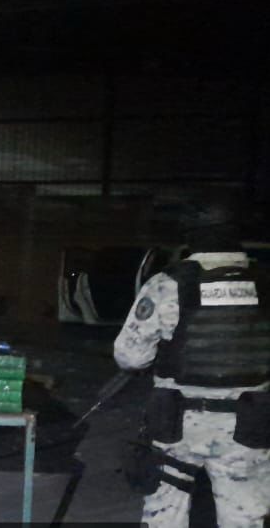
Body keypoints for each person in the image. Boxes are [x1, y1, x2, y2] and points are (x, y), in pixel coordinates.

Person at [114, 201, 270, 528]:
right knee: (244, 516)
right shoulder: (265, 283)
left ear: (191, 237)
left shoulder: (167, 284)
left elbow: (130, 356)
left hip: (177, 422)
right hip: (248, 423)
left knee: (165, 514)